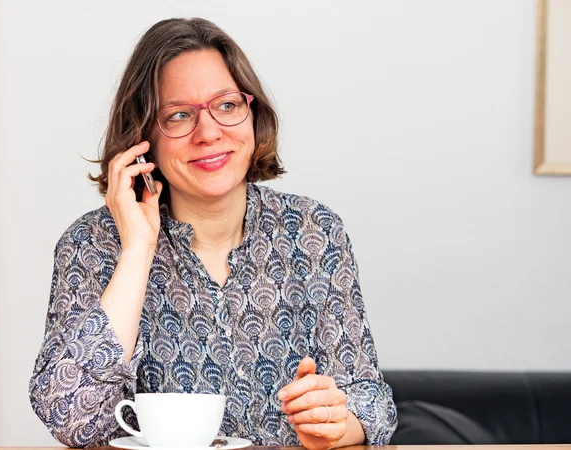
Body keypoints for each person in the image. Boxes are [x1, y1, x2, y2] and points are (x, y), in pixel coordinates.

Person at [29, 17, 397, 449]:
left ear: (251, 112)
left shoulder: (315, 231)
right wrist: (138, 249)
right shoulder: (91, 244)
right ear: (143, 136)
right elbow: (73, 418)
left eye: (226, 105)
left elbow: (373, 403)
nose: (208, 133)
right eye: (179, 115)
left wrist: (336, 422)